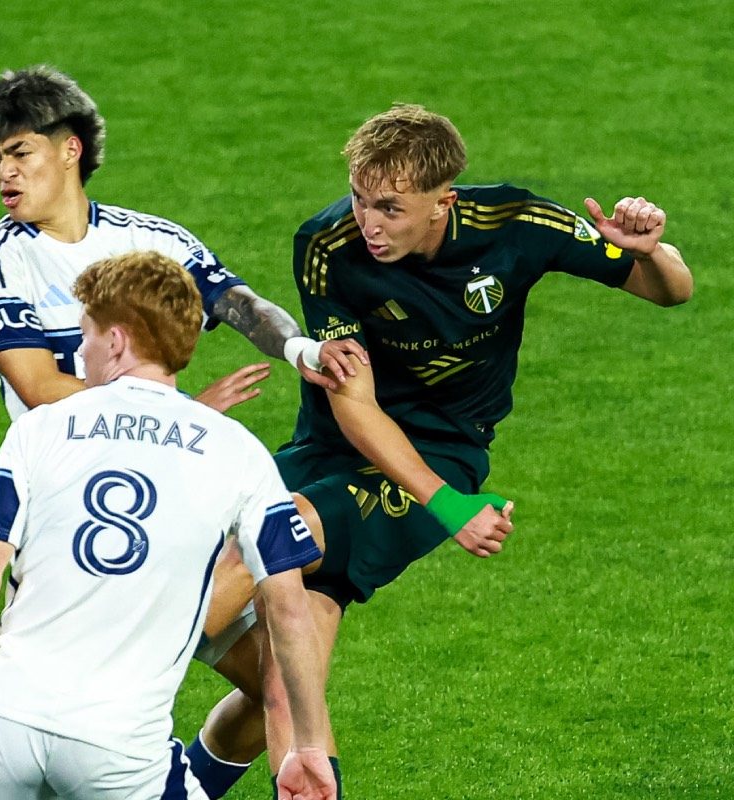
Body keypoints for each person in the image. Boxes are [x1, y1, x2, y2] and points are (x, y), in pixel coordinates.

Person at [185, 103, 695, 798]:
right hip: (331, 446)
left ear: (442, 202)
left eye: (391, 208)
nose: (370, 222)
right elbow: (354, 406)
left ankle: (88, 675)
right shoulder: (326, 245)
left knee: (268, 535)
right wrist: (452, 511)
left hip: (442, 456)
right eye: (362, 200)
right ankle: (173, 787)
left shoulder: (517, 225)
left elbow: (672, 293)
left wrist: (650, 253)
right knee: (282, 676)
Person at [0, 252, 338, 800]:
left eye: (83, 333)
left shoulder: (40, 429)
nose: (79, 351)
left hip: (3, 722)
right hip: (120, 747)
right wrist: (305, 744)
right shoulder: (239, 452)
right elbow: (287, 605)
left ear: (115, 341)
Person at [0, 64, 366, 421]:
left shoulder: (152, 239)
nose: (3, 172)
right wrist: (183, 412)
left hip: (157, 457)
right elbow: (38, 387)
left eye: (20, 154)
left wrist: (301, 350)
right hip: (60, 466)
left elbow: (242, 304)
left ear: (70, 150)